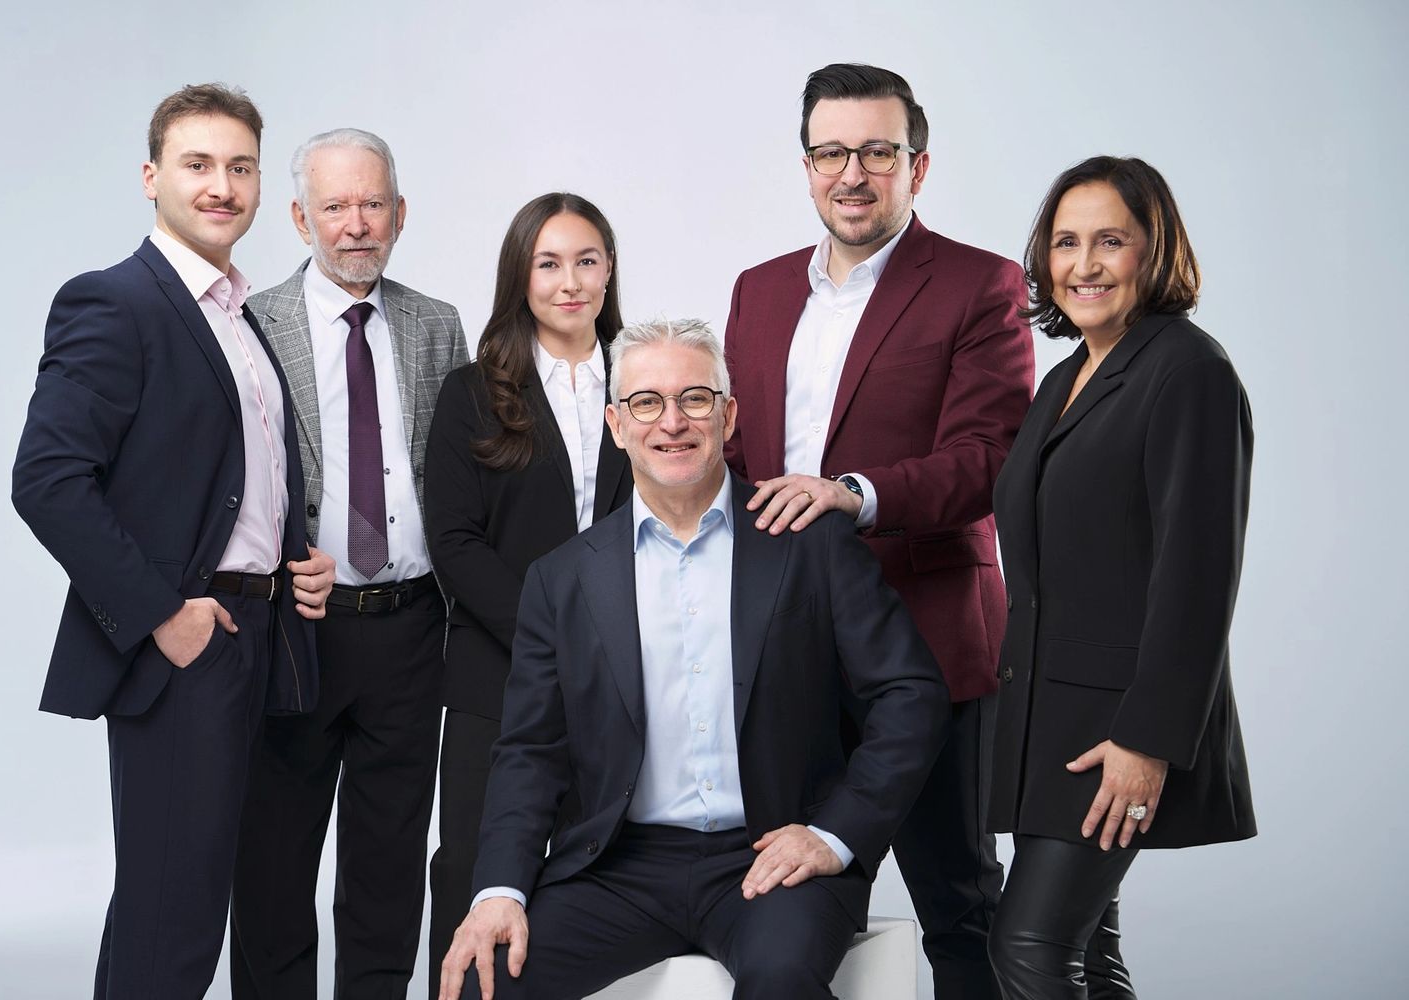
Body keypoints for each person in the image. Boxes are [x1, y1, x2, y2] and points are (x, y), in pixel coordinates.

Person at [438, 319, 950, 1000]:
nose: (671, 422)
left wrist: (835, 833)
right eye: (647, 402)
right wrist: (498, 890)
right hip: (620, 867)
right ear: (617, 425)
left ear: (728, 416)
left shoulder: (808, 542)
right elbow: (531, 751)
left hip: (773, 856)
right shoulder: (563, 580)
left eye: (695, 399)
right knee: (486, 982)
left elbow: (912, 693)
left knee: (779, 980)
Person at [10, 83, 335, 999]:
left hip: (268, 640)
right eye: (198, 165)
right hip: (189, 646)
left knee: (252, 901)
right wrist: (162, 614)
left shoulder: (236, 316)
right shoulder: (115, 302)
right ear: (153, 176)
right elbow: (46, 480)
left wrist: (290, 560)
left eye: (240, 167)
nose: (221, 185)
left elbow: (234, 474)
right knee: (173, 912)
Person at [722, 62, 1033, 999]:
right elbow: (736, 457)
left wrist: (852, 492)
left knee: (961, 905)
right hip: (790, 647)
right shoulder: (759, 289)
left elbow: (990, 456)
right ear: (806, 163)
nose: (851, 173)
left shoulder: (981, 284)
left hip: (929, 642)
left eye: (877, 152)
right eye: (831, 152)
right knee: (789, 896)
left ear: (918, 166)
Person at [986, 156, 1256, 999]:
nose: (1085, 264)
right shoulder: (1068, 377)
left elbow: (1198, 574)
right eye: (1066, 242)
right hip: (1049, 723)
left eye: (1111, 240)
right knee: (1085, 959)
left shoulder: (1189, 372)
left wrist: (1149, 739)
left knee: (1027, 948)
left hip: (1118, 730)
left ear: (1155, 249)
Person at [228, 128, 468, 999]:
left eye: (373, 205)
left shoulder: (438, 326)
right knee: (273, 861)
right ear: (300, 218)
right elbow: (229, 479)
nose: (356, 225)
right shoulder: (254, 325)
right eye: (335, 207)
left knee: (389, 865)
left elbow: (462, 476)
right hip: (299, 630)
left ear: (400, 214)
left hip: (409, 630)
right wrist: (283, 564)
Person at [423, 191, 632, 991]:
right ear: (521, 276)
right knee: (478, 873)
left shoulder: (643, 383)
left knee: (598, 879)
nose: (569, 281)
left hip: (622, 679)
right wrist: (552, 636)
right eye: (548, 263)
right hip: (498, 678)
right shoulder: (471, 393)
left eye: (586, 260)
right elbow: (454, 542)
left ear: (610, 271)